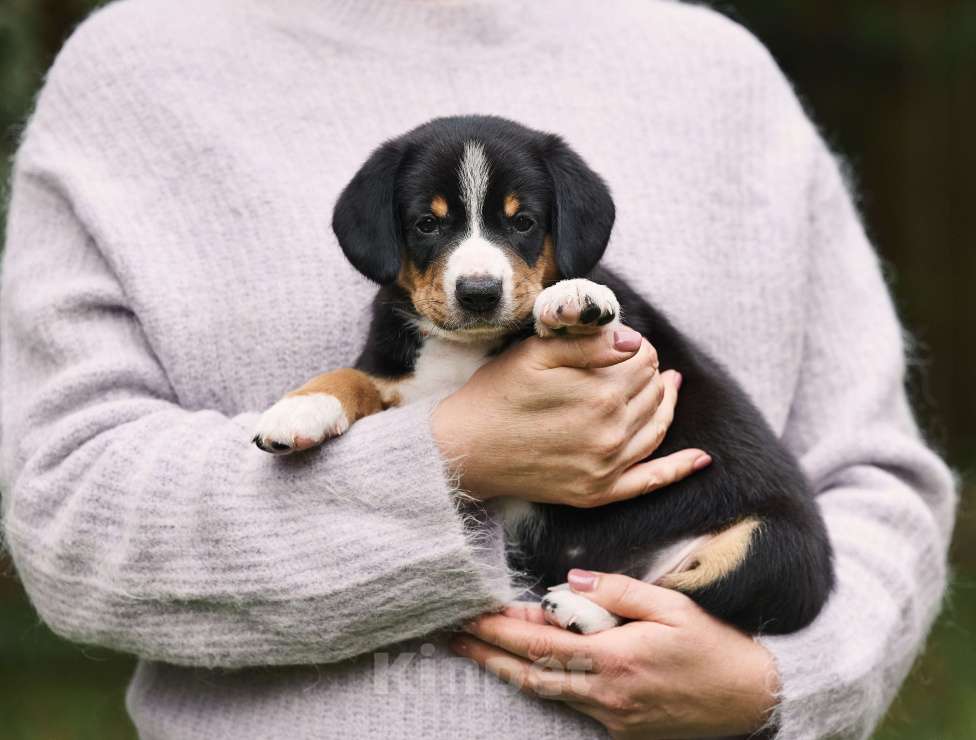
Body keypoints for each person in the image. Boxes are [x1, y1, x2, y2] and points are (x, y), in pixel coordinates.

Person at [0, 1, 956, 738]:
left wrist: (775, 688)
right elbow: (64, 509)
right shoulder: (130, 71)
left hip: (708, 550)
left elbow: (881, 484)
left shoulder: (725, 77)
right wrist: (450, 455)